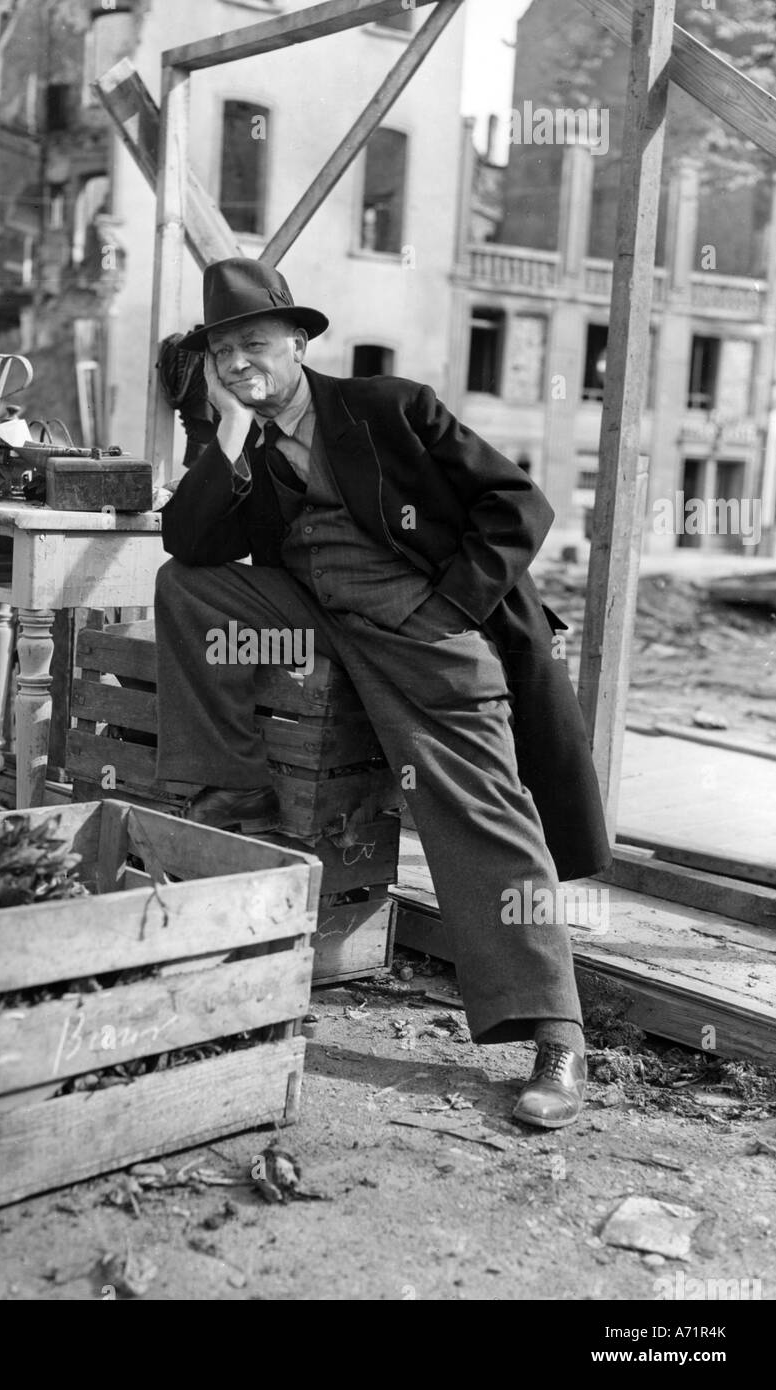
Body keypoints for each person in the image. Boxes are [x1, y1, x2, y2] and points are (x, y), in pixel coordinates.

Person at [154, 257, 611, 1129]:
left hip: (425, 633)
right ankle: (232, 791)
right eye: (224, 355)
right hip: (322, 619)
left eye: (254, 344)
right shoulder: (235, 434)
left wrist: (449, 607)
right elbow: (191, 539)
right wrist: (223, 441)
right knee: (186, 586)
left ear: (295, 340)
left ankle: (555, 1032)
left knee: (480, 807)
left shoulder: (386, 409)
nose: (241, 365)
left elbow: (518, 504)